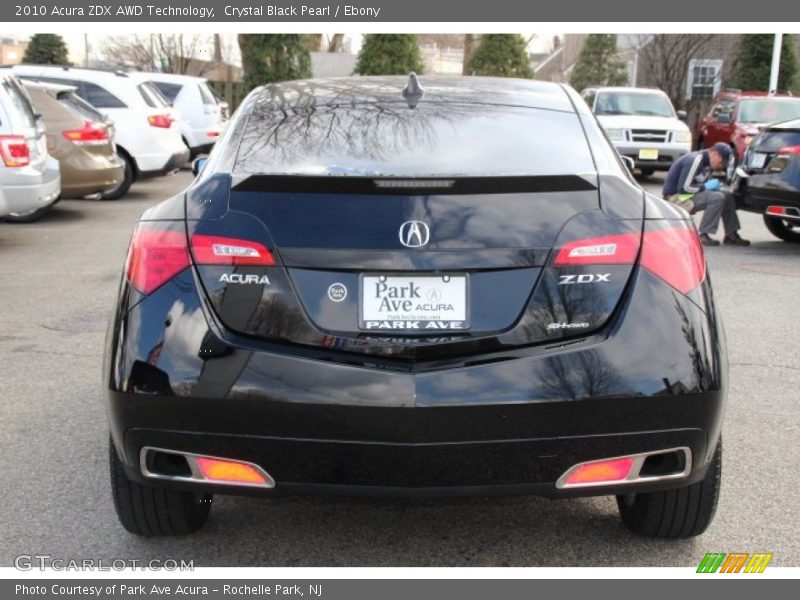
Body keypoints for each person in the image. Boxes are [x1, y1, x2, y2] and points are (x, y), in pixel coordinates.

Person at [662, 142, 750, 246]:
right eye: (721, 162)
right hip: (675, 198)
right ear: (715, 154)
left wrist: (712, 187)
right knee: (717, 197)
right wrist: (706, 187)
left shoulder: (707, 163)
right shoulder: (695, 160)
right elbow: (683, 188)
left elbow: (698, 184)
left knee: (727, 195)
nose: (721, 166)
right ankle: (703, 235)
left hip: (688, 195)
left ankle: (731, 234)